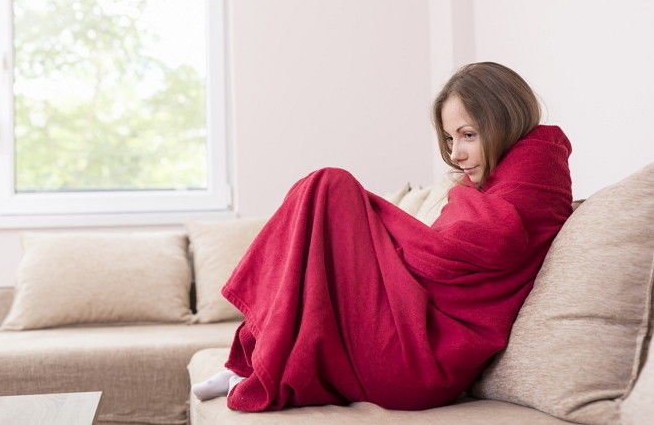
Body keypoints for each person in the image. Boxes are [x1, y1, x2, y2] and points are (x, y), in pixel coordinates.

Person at [192, 62, 573, 412]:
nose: (456, 154)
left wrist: (393, 229)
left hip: (426, 357)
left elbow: (457, 253)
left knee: (330, 186)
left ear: (504, 123)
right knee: (324, 193)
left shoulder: (536, 170)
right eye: (450, 139)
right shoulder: (507, 176)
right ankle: (254, 359)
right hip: (415, 330)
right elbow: (440, 258)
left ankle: (254, 359)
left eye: (468, 135)